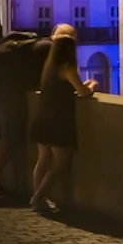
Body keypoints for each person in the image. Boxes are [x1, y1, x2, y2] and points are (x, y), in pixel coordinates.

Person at [29, 24, 97, 214]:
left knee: (42, 161)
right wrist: (91, 86)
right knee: (60, 163)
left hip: (42, 116)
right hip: (57, 119)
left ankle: (37, 196)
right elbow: (83, 93)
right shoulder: (67, 67)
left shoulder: (49, 66)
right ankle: (38, 197)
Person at [0, 29, 49, 199]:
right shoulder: (50, 48)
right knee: (11, 136)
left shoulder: (29, 43)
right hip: (10, 91)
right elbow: (48, 77)